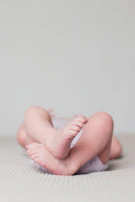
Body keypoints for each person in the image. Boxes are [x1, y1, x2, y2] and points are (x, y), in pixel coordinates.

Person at [17, 106, 122, 175]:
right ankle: (53, 140)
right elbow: (22, 134)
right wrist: (40, 119)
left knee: (103, 118)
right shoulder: (46, 124)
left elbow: (115, 148)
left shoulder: (86, 123)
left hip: (83, 157)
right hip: (46, 154)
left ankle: (70, 163)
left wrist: (85, 122)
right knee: (34, 110)